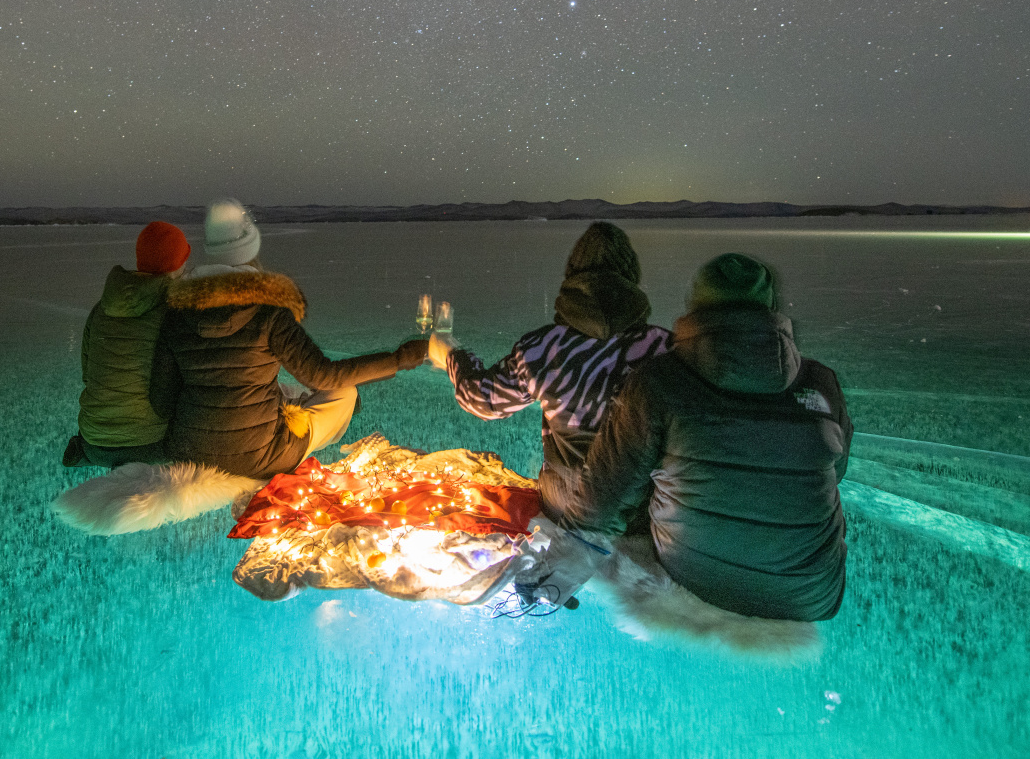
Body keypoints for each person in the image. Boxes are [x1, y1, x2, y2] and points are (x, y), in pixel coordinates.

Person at [545, 253, 853, 622]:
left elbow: (608, 490)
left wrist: (558, 573)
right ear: (769, 307)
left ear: (695, 306)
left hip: (696, 580)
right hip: (812, 592)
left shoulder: (658, 381)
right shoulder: (821, 382)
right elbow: (837, 471)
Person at [154, 199, 429, 480]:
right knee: (345, 393)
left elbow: (161, 400)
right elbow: (323, 377)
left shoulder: (176, 312)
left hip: (189, 453)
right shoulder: (268, 312)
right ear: (251, 247)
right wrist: (399, 359)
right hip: (260, 458)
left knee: (278, 388)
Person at [435, 221, 673, 504]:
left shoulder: (543, 348)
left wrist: (452, 354)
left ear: (572, 276)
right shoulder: (664, 348)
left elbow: (481, 401)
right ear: (632, 280)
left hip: (567, 501)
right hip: (641, 506)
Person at [62, 220, 193, 469]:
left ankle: (85, 454)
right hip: (152, 447)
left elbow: (88, 375)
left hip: (93, 441)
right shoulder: (175, 311)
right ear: (179, 262)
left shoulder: (101, 309)